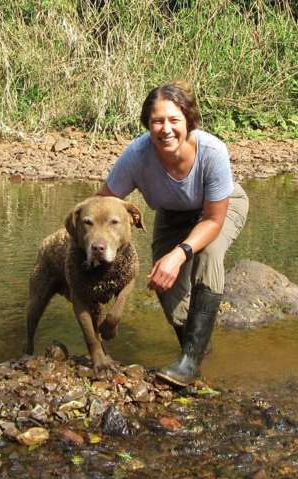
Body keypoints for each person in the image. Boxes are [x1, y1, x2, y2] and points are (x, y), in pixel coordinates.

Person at [97, 81, 249, 386]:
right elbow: (103, 204)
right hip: (172, 215)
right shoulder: (137, 156)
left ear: (188, 121)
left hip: (219, 209)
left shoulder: (212, 152)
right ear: (147, 125)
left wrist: (179, 254)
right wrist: (94, 244)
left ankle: (190, 363)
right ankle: (195, 349)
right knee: (163, 283)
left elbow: (213, 221)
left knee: (207, 253)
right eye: (157, 121)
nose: (165, 129)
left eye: (174, 120)